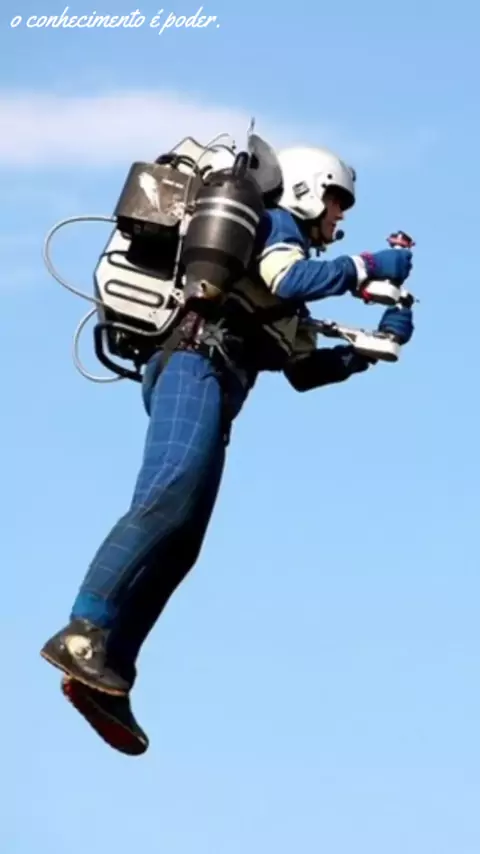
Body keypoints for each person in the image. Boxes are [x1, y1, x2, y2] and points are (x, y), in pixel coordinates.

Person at [41, 143, 414, 755]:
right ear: (306, 188)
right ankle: (83, 630)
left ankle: (110, 675)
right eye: (335, 200)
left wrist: (370, 350)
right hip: (193, 364)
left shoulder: (282, 270)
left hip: (213, 381)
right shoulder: (277, 227)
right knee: (167, 496)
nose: (339, 216)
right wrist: (368, 264)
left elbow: (302, 370)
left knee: (181, 542)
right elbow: (291, 276)